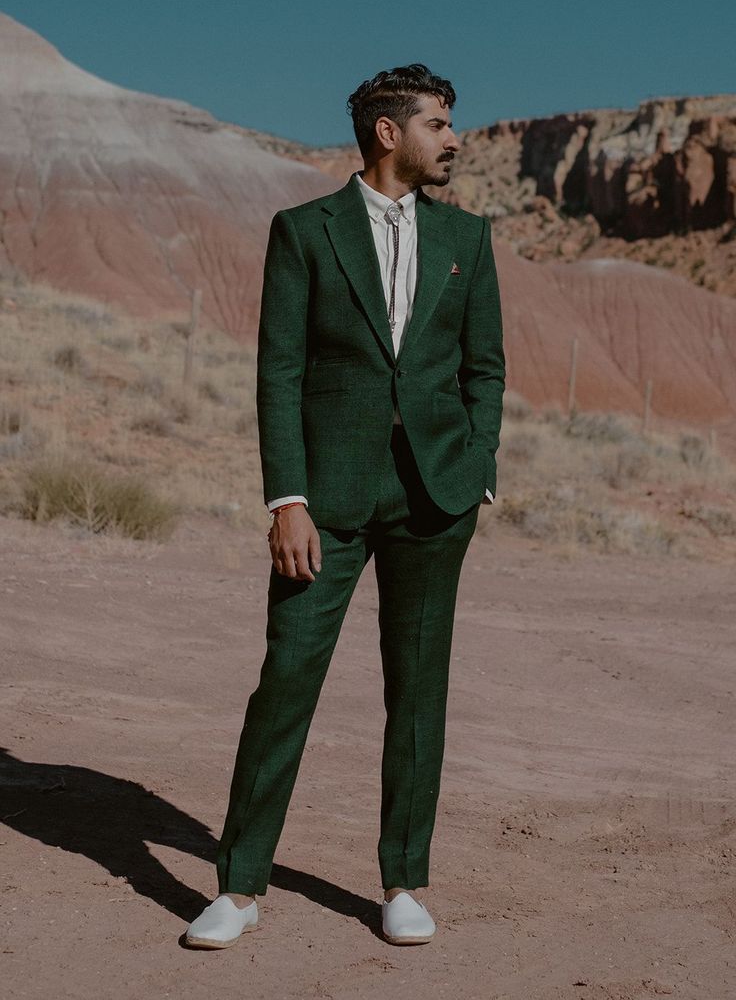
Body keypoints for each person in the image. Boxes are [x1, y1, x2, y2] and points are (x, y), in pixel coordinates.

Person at [185, 63, 505, 949]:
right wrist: (285, 496)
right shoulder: (304, 232)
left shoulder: (468, 239)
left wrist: (477, 466)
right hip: (323, 498)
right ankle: (240, 885)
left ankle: (403, 878)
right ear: (387, 133)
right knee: (286, 679)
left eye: (452, 123)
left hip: (435, 498)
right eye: (438, 124)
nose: (453, 138)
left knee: (418, 692)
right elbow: (278, 369)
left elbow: (486, 367)